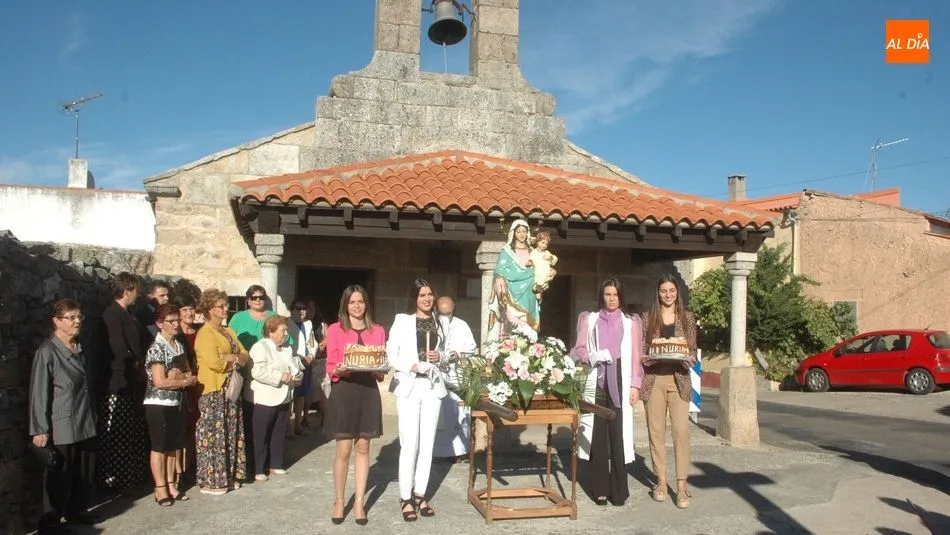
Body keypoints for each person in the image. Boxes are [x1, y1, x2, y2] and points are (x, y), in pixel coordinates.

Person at [569, 278, 644, 506]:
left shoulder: (631, 322)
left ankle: (619, 490)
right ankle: (600, 489)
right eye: (607, 294)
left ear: (621, 296)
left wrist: (635, 385)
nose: (612, 299)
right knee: (598, 435)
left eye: (615, 295)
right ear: (601, 296)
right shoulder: (589, 319)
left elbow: (637, 357)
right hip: (598, 378)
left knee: (619, 435)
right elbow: (578, 349)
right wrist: (590, 356)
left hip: (621, 378)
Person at [29, 299, 98, 532]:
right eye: (71, 317)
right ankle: (51, 523)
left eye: (79, 317)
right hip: (63, 424)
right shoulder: (47, 352)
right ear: (57, 321)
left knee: (84, 471)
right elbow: (39, 392)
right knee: (59, 476)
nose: (77, 321)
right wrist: (40, 429)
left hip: (84, 419)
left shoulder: (79, 348)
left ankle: (77, 511)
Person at [325, 285, 386, 526]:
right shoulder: (335, 329)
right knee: (343, 450)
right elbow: (331, 365)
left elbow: (379, 363)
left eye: (360, 301)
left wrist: (381, 371)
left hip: (368, 391)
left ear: (366, 304)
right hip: (345, 390)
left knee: (363, 447)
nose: (357, 306)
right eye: (352, 302)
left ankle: (359, 501)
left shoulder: (378, 330)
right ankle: (340, 500)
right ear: (346, 305)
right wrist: (338, 370)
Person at [388, 279, 447, 522]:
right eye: (422, 295)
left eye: (430, 294)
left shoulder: (441, 322)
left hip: (432, 386)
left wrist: (440, 356)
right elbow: (391, 353)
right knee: (409, 443)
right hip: (410, 386)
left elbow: (449, 353)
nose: (427, 299)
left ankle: (420, 494)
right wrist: (410, 365)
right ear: (414, 298)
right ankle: (405, 497)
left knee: (428, 443)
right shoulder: (402, 320)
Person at [641, 274, 698, 509]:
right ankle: (661, 482)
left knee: (681, 431)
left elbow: (692, 349)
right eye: (664, 290)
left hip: (679, 380)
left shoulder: (687, 318)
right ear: (658, 293)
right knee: (656, 432)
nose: (668, 295)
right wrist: (645, 358)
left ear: (677, 293)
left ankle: (682, 485)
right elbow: (643, 348)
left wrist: (690, 359)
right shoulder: (647, 318)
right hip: (654, 380)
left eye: (671, 290)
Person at [194, 289, 251, 495]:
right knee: (214, 436)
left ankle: (229, 476)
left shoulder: (229, 331)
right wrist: (234, 358)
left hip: (231, 389)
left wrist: (231, 357)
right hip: (214, 390)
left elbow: (244, 354)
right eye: (221, 306)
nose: (226, 309)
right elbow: (214, 363)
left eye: (226, 305)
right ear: (210, 310)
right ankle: (212, 480)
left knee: (230, 432)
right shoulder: (205, 334)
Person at [97, 272, 149, 492]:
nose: (138, 295)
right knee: (119, 432)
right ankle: (116, 480)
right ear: (127, 290)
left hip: (131, 380)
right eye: (136, 290)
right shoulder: (112, 315)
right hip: (118, 380)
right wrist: (136, 363)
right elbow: (118, 348)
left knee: (130, 432)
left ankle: (130, 477)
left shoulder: (128, 315)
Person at [144, 304, 197, 507]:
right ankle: (160, 488)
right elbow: (160, 381)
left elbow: (189, 373)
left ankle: (171, 483)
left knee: (174, 445)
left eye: (177, 321)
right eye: (171, 321)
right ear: (160, 324)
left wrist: (182, 378)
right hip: (158, 403)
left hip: (176, 401)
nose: (175, 325)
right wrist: (183, 381)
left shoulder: (179, 345)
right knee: (160, 446)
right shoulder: (157, 348)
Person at [247, 315, 302, 481]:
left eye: (286, 330)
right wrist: (280, 376)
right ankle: (258, 468)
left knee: (279, 431)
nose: (286, 334)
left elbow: (294, 367)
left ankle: (276, 463)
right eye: (283, 330)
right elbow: (257, 372)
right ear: (271, 332)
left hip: (284, 397)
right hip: (264, 398)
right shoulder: (260, 347)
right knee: (261, 434)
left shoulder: (287, 349)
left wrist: (298, 376)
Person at [433, 296, 477, 462]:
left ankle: (459, 452)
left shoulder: (461, 325)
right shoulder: (432, 325)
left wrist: (458, 354)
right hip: (438, 374)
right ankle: (436, 452)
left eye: (449, 313)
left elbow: (471, 347)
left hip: (456, 374)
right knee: (439, 414)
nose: (446, 317)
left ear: (454, 309)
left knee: (458, 412)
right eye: (442, 313)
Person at [486, 219, 539, 342]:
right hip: (510, 292)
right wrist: (500, 279)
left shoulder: (533, 252)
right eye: (518, 231)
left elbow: (539, 269)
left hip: (529, 292)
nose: (521, 234)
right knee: (512, 319)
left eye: (524, 231)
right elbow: (500, 270)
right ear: (513, 233)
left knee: (528, 322)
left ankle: (528, 342)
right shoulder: (507, 252)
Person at [173, 295, 200, 482]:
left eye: (191, 309)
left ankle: (191, 466)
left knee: (194, 427)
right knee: (181, 428)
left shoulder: (200, 332)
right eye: (184, 310)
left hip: (198, 383)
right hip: (182, 384)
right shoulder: (176, 335)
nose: (189, 313)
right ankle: (179, 470)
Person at [287, 298, 316, 435]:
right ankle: (288, 427)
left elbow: (312, 342)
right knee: (290, 396)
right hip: (292, 364)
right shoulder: (286, 323)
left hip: (306, 364)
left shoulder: (308, 324)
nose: (301, 311)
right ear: (292, 310)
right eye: (298, 308)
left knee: (302, 395)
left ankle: (298, 424)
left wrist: (311, 355)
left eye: (304, 309)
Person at [529, 229, 558, 297]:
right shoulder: (534, 252)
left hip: (545, 271)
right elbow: (531, 259)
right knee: (538, 280)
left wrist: (550, 258)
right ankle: (538, 290)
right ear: (537, 242)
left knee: (545, 280)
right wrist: (530, 262)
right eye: (542, 243)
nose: (544, 245)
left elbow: (554, 259)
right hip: (537, 271)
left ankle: (540, 291)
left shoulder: (546, 252)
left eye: (546, 244)